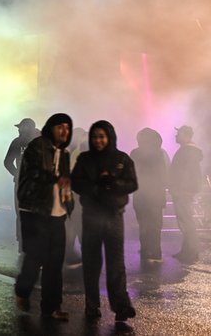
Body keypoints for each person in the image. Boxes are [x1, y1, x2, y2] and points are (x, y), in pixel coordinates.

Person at [71, 120, 138, 324]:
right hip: (91, 216)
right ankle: (92, 305)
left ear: (109, 137)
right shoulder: (84, 159)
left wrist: (114, 183)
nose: (98, 140)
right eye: (95, 137)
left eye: (102, 136)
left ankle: (121, 306)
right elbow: (76, 183)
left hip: (114, 216)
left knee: (116, 263)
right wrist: (95, 187)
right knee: (91, 262)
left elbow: (132, 184)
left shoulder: (122, 158)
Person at [14, 113, 73, 321]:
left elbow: (66, 182)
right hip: (35, 211)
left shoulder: (63, 153)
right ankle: (23, 289)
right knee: (35, 256)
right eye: (60, 127)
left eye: (67, 127)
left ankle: (51, 307)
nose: (64, 131)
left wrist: (69, 202)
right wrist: (56, 178)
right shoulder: (37, 147)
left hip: (57, 213)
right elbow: (34, 174)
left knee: (55, 263)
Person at [130, 128, 169, 262]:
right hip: (157, 196)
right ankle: (156, 252)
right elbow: (165, 175)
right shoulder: (161, 153)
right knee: (156, 225)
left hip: (140, 195)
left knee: (144, 224)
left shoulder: (135, 153)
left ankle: (146, 251)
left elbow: (132, 173)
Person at [3, 118, 39, 253]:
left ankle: (23, 244)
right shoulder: (42, 141)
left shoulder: (17, 142)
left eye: (20, 127)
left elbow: (7, 162)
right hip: (38, 185)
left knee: (21, 213)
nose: (18, 129)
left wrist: (16, 174)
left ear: (25, 127)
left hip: (22, 184)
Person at [170, 125, 204, 263]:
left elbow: (189, 174)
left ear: (186, 135)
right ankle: (186, 251)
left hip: (183, 192)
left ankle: (192, 253)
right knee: (185, 221)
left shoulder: (188, 151)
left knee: (186, 222)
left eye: (179, 134)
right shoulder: (188, 150)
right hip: (183, 191)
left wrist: (183, 189)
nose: (176, 136)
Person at [64, 127, 88, 268]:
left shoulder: (74, 152)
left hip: (77, 196)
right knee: (77, 225)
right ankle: (72, 255)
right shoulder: (75, 152)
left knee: (74, 225)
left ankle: (71, 254)